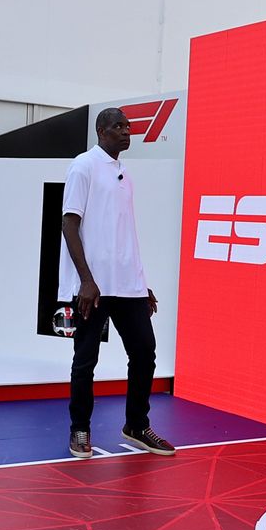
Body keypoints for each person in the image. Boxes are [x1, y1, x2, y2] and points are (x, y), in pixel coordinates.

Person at [59, 107, 174, 460]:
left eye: (128, 127)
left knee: (144, 351)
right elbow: (69, 223)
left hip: (128, 286)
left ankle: (136, 426)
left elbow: (125, 234)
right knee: (85, 360)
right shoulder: (83, 166)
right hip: (93, 287)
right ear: (101, 131)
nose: (126, 132)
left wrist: (141, 283)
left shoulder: (125, 174)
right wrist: (86, 280)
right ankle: (80, 429)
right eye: (118, 127)